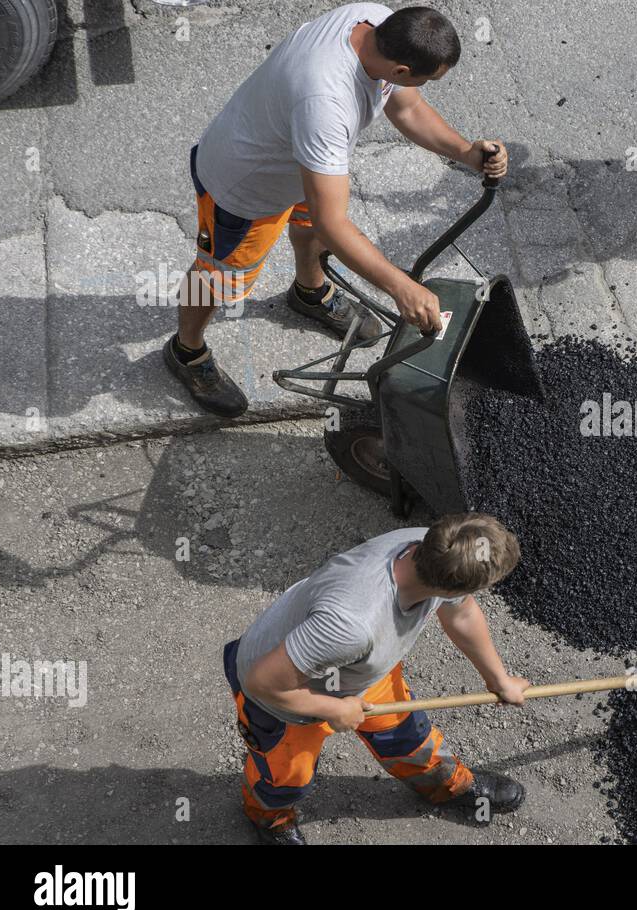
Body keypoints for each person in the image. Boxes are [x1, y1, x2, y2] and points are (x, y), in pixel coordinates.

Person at [166, 4, 507, 417]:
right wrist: (403, 288)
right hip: (247, 188)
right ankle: (187, 352)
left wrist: (465, 152)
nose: (424, 87)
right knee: (218, 277)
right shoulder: (325, 102)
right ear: (399, 70)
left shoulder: (376, 20)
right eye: (426, 79)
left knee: (309, 223)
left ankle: (309, 293)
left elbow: (409, 108)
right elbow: (335, 223)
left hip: (302, 163)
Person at [222, 513, 530, 844]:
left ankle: (444, 785)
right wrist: (333, 709)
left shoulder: (439, 547)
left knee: (409, 738)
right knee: (286, 777)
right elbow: (261, 682)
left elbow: (463, 613)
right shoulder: (352, 624)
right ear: (448, 585)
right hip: (283, 695)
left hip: (358, 670)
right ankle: (269, 817)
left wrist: (499, 680)